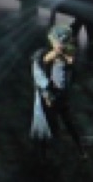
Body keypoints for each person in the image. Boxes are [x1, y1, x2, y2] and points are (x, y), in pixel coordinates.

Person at [30, 25, 87, 161]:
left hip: (61, 95)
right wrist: (47, 94)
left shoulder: (67, 55)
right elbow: (43, 66)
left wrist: (67, 59)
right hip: (50, 96)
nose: (60, 45)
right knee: (46, 126)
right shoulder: (45, 56)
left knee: (68, 122)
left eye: (63, 42)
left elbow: (70, 68)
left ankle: (80, 149)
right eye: (58, 41)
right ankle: (43, 154)